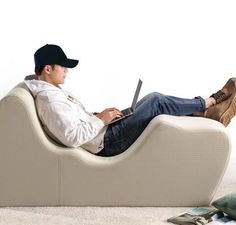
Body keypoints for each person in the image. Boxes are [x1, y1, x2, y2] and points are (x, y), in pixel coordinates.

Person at [24, 44, 236, 157]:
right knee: (156, 102)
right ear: (48, 69)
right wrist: (101, 121)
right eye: (63, 66)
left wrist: (100, 116)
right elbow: (72, 137)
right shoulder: (50, 99)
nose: (66, 71)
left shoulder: (50, 91)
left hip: (104, 133)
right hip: (106, 143)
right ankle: (206, 104)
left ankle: (203, 111)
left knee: (150, 100)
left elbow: (74, 123)